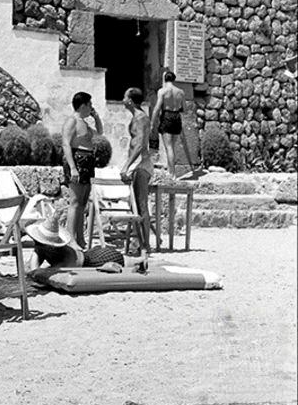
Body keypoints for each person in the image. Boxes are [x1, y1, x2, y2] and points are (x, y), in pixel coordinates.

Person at [61, 91, 102, 249]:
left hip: (87, 162)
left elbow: (99, 132)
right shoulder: (72, 121)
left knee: (83, 202)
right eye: (90, 104)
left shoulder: (84, 122)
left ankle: (80, 239)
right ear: (83, 105)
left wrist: (96, 116)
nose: (91, 107)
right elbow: (66, 144)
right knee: (75, 202)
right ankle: (70, 239)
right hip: (77, 161)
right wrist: (73, 168)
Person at [119, 87, 152, 269]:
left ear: (130, 100)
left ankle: (145, 245)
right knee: (136, 205)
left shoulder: (140, 118)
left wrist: (127, 165)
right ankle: (139, 243)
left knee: (141, 204)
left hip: (140, 164)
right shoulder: (138, 117)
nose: (123, 99)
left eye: (125, 96)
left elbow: (139, 144)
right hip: (138, 163)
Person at [26, 213, 124, 270]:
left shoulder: (64, 254)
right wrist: (37, 251)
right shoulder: (45, 248)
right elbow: (30, 269)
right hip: (93, 254)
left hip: (101, 259)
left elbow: (36, 272)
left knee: (132, 262)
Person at [151, 69, 201, 177]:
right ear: (174, 79)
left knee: (168, 147)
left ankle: (171, 173)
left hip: (167, 116)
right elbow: (185, 108)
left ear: (165, 79)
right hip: (176, 116)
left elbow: (157, 108)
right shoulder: (181, 92)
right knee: (172, 147)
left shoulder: (162, 91)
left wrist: (152, 122)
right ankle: (172, 172)